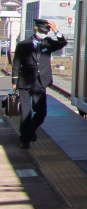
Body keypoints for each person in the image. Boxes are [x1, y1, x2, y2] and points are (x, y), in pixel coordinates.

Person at [12, 19, 67, 149]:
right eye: (42, 31)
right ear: (36, 29)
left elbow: (62, 43)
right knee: (26, 112)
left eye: (46, 32)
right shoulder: (23, 44)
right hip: (24, 82)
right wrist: (14, 81)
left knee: (41, 113)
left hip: (41, 82)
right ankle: (25, 140)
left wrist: (56, 30)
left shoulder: (48, 42)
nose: (44, 34)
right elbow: (16, 63)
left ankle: (29, 132)